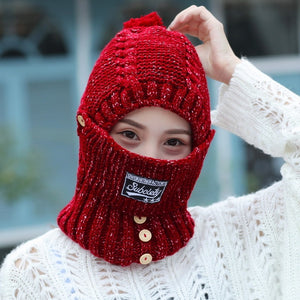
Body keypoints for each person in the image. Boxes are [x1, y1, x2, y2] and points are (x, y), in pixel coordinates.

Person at [0, 5, 299, 299]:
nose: (150, 158)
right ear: (90, 131)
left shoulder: (239, 235)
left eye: (173, 143)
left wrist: (232, 72)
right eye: (129, 135)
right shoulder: (34, 273)